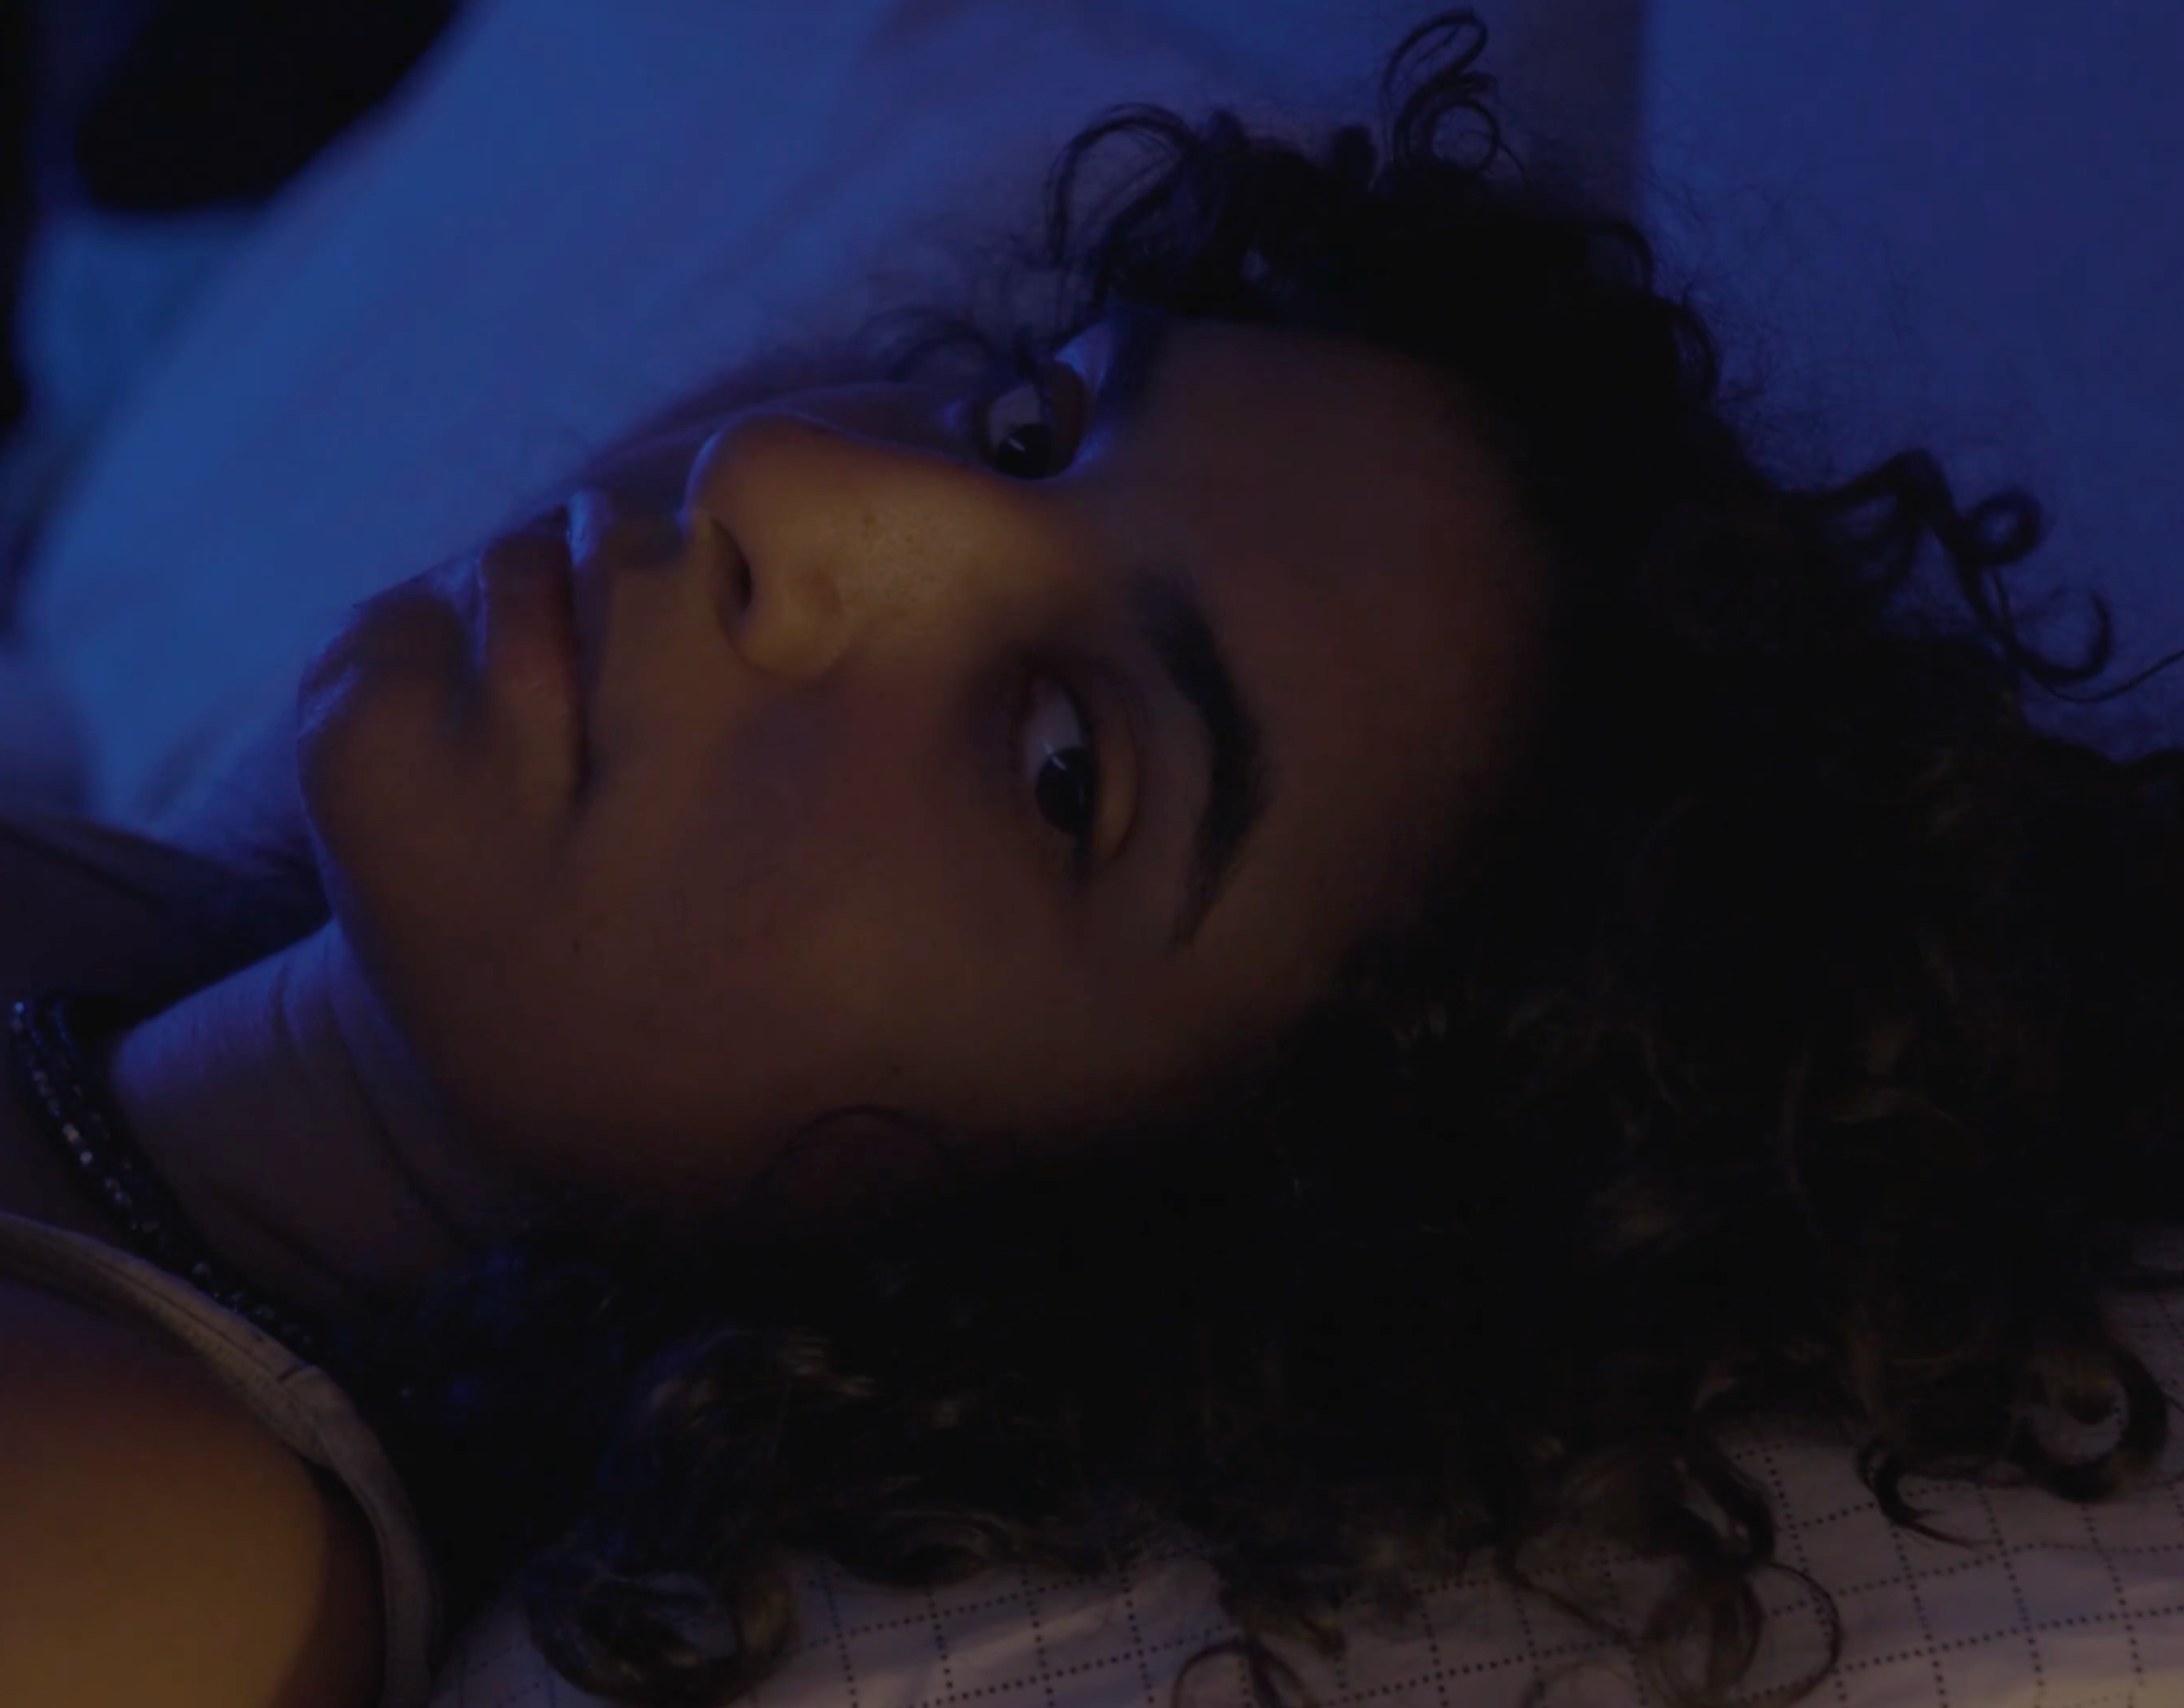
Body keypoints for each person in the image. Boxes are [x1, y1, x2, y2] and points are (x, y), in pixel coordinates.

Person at [10, 9, 2184, 1708]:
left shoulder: (144, 1553)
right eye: (1025, 423)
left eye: (1062, 772)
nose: (786, 484)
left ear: (1066, 1267)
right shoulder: (128, 936)